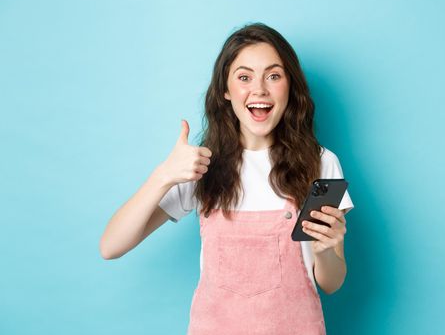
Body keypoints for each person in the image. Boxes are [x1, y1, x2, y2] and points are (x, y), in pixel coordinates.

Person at [100, 22, 354, 335]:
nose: (259, 89)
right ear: (225, 90)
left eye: (273, 76)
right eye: (244, 77)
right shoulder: (200, 166)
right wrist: (164, 175)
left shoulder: (320, 164)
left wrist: (325, 250)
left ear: (290, 86)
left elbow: (331, 282)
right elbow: (111, 246)